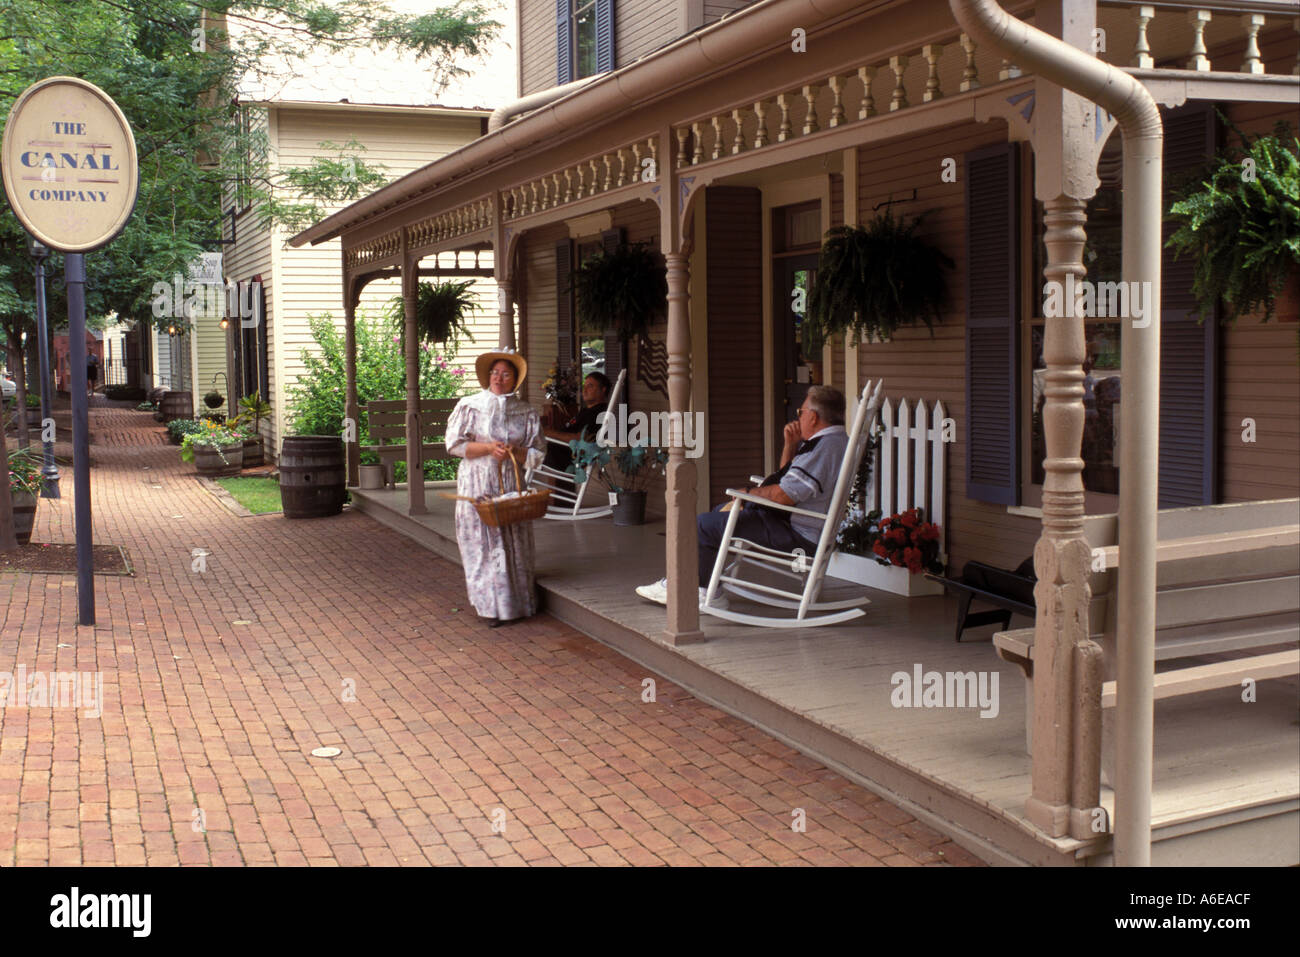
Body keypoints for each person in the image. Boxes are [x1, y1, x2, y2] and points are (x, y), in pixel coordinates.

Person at [636, 385, 850, 610]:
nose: (799, 416)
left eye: (801, 412)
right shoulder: (833, 442)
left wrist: (747, 495)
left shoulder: (825, 448)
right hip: (797, 523)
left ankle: (696, 588)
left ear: (814, 417)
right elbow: (788, 479)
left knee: (703, 525)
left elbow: (784, 495)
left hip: (797, 533)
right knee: (719, 513)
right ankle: (701, 584)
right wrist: (790, 445)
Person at [445, 350, 547, 627]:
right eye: (494, 372)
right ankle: (491, 606)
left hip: (510, 485)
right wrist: (489, 448)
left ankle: (517, 604)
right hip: (478, 483)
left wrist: (518, 451)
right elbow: (454, 445)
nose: (498, 378)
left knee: (512, 540)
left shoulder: (525, 411)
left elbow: (539, 453)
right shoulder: (470, 405)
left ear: (515, 379)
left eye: (506, 374)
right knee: (483, 543)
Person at [541, 370, 611, 474]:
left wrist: (549, 433)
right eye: (584, 386)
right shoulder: (586, 411)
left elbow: (581, 439)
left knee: (524, 449)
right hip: (558, 452)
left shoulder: (599, 414)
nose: (584, 390)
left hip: (569, 460)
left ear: (603, 390)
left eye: (590, 386)